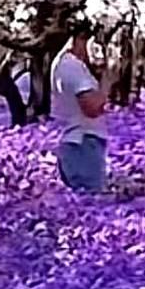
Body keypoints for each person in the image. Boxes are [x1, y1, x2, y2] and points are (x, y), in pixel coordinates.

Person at [51, 22, 109, 194]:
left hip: (79, 144)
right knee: (91, 200)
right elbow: (91, 107)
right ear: (79, 40)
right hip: (82, 144)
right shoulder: (71, 66)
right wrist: (108, 79)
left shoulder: (67, 64)